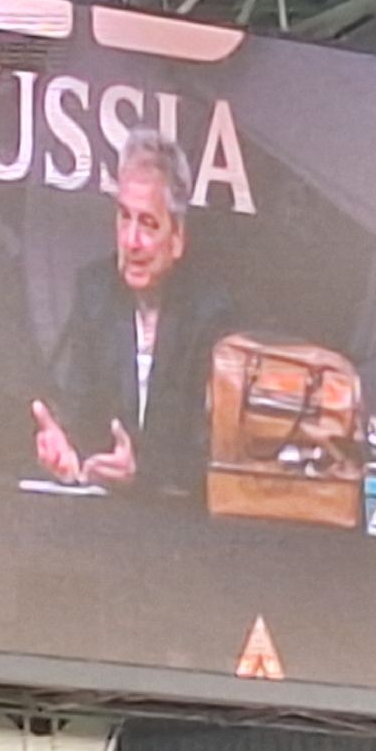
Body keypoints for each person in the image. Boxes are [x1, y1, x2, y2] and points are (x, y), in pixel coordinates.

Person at [32, 127, 234, 495]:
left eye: (148, 223)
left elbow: (210, 452)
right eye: (124, 217)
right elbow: (78, 407)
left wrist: (141, 472)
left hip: (179, 516)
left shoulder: (210, 314)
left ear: (177, 237)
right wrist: (66, 449)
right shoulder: (95, 292)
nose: (131, 241)